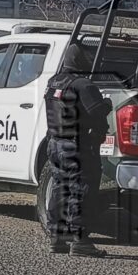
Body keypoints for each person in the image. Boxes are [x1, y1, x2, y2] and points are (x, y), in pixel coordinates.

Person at [44, 43, 112, 258]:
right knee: (82, 190)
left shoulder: (53, 82)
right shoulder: (83, 85)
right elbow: (97, 112)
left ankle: (57, 238)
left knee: (59, 187)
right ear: (80, 61)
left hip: (55, 143)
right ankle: (80, 241)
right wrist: (107, 104)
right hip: (77, 145)